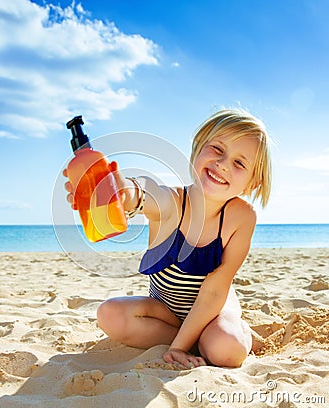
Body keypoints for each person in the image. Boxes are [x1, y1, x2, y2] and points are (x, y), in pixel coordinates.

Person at [63, 108, 272, 369]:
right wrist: (116, 191)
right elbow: (142, 194)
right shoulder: (172, 202)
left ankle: (216, 335)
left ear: (252, 183)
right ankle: (197, 341)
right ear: (197, 148)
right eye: (217, 149)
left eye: (240, 163)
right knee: (109, 314)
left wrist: (177, 349)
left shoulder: (241, 218)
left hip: (213, 310)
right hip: (166, 312)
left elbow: (215, 289)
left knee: (227, 349)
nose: (223, 164)